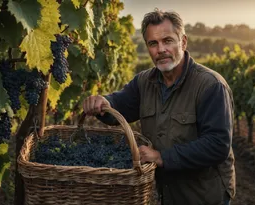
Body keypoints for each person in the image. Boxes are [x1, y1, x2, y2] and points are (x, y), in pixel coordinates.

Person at [82, 8, 236, 205]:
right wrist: (103, 103)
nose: (161, 49)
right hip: (168, 193)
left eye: (168, 40)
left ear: (183, 41)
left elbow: (217, 145)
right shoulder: (144, 82)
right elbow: (120, 105)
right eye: (153, 43)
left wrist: (162, 157)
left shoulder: (211, 85)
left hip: (204, 195)